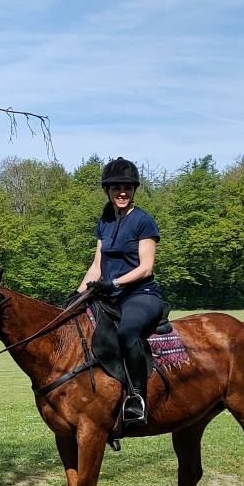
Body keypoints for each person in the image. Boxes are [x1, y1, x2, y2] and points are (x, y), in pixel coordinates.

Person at [77, 157, 162, 424]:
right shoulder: (105, 220)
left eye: (127, 187)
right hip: (108, 296)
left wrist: (114, 284)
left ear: (134, 189)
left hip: (141, 296)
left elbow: (146, 267)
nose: (121, 192)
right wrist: (76, 297)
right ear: (107, 191)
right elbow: (96, 266)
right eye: (116, 188)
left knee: (126, 333)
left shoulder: (143, 221)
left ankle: (137, 398)